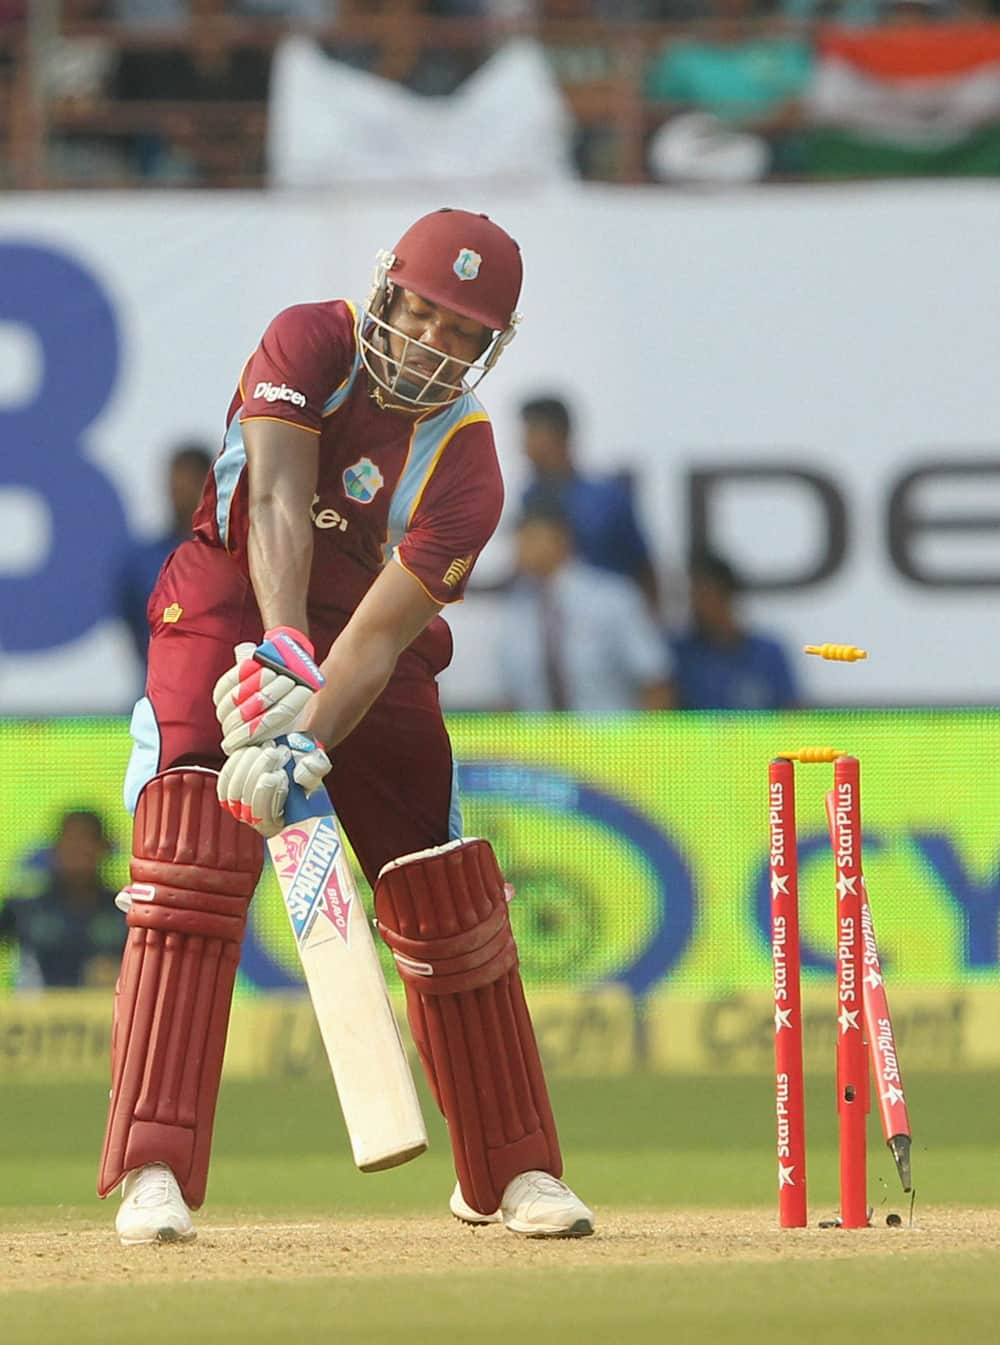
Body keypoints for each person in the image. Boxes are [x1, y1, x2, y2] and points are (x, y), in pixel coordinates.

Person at [100, 207, 594, 1246]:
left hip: (358, 639)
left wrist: (305, 732)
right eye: (425, 312)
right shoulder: (306, 341)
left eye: (465, 335)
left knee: (439, 882)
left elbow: (373, 642)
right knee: (190, 845)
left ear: (492, 349)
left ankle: (511, 1173)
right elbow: (275, 501)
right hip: (231, 593)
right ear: (385, 291)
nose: (434, 345)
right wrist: (281, 654)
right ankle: (155, 1167)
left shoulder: (468, 463)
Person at [498, 499, 673, 710]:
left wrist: (647, 742)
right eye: (518, 537)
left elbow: (654, 681)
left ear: (561, 539)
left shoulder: (613, 599)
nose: (520, 546)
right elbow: (509, 699)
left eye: (530, 537)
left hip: (609, 740)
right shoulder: (516, 611)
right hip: (537, 741)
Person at [519, 395, 660, 611]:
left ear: (560, 434)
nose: (524, 446)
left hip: (609, 619)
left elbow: (643, 567)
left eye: (532, 433)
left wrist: (647, 621)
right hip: (552, 627)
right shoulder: (528, 499)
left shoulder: (607, 498)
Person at [0, 810, 124, 989]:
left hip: (105, 1013)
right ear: (55, 848)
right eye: (71, 841)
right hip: (33, 1014)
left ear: (104, 847)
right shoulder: (24, 909)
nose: (78, 850)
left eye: (87, 840)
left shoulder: (123, 910)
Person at [116, 442, 212, 662]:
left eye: (188, 486)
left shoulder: (228, 557)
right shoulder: (143, 560)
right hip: (158, 681)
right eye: (174, 487)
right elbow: (131, 620)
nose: (178, 495)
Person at [668, 549, 800, 710]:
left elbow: (792, 715)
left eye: (704, 595)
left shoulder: (770, 654)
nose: (696, 605)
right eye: (692, 596)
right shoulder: (678, 655)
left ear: (727, 595)